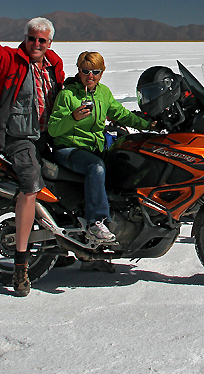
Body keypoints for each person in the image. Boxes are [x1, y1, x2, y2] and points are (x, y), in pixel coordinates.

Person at [0, 10, 66, 297]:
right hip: (18, 138)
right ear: (25, 39)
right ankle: (21, 264)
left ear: (49, 43)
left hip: (47, 137)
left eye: (42, 40)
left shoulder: (54, 65)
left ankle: (71, 247)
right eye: (32, 39)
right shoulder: (12, 59)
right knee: (30, 186)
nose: (36, 44)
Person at [47, 51, 151, 242]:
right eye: (85, 71)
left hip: (94, 149)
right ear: (79, 71)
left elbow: (121, 114)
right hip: (68, 150)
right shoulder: (67, 95)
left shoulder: (103, 93)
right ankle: (96, 222)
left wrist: (148, 125)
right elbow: (53, 129)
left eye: (95, 71)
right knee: (96, 167)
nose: (90, 76)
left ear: (102, 72)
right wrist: (73, 118)